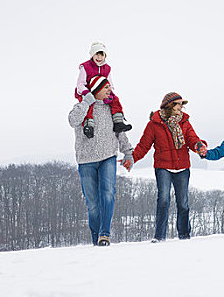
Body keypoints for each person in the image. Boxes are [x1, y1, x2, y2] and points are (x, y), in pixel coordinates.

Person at [129, 92, 205, 242]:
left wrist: (199, 146)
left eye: (182, 105)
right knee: (163, 200)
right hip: (163, 167)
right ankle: (159, 236)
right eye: (179, 104)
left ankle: (184, 236)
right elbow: (144, 145)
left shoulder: (184, 122)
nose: (181, 107)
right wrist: (132, 159)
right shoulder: (154, 124)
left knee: (183, 203)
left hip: (182, 167)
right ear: (169, 105)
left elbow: (192, 139)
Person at [68, 78, 134, 246]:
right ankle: (96, 237)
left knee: (108, 193)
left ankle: (105, 234)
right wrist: (87, 101)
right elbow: (72, 121)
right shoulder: (82, 107)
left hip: (108, 157)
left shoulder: (111, 107)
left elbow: (120, 132)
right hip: (86, 160)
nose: (109, 89)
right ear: (96, 89)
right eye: (105, 87)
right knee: (92, 203)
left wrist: (128, 153)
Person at [74, 42, 131, 138]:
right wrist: (86, 93)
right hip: (87, 92)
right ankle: (88, 125)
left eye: (102, 55)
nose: (99, 57)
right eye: (97, 54)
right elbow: (80, 84)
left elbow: (110, 83)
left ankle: (118, 122)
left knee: (115, 100)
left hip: (101, 92)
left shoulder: (107, 68)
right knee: (89, 105)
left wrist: (110, 93)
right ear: (92, 54)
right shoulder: (85, 67)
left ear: (105, 56)